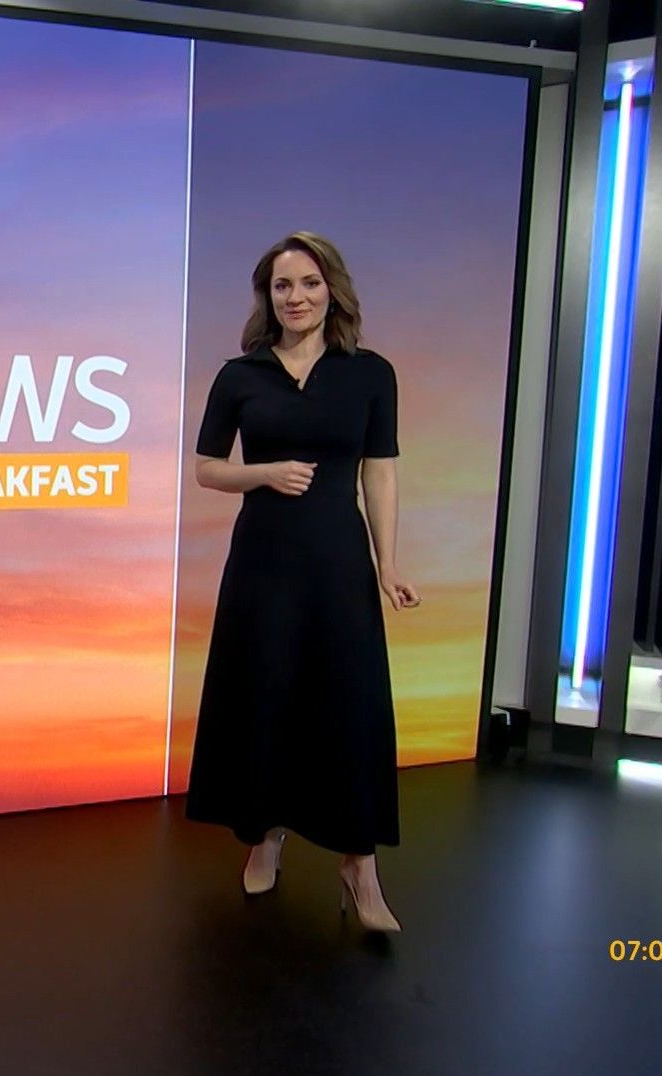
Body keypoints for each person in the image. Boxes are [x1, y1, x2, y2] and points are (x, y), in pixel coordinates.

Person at [186, 231, 421, 934]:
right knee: (265, 695)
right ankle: (265, 836)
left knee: (349, 704)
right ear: (268, 296)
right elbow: (206, 468)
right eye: (283, 286)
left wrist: (388, 563)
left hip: (338, 561)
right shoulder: (240, 375)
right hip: (262, 564)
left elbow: (380, 472)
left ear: (332, 290)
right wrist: (264, 473)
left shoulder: (369, 374)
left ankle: (359, 866)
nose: (296, 297)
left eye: (309, 283)